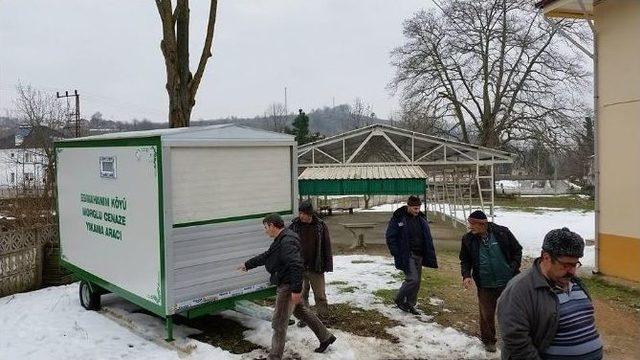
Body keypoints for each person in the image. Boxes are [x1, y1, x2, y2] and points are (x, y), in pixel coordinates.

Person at [238, 214, 336, 360]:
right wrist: (248, 264)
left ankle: (275, 356)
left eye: (266, 227)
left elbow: (296, 265)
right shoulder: (282, 239)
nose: (265, 231)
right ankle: (326, 337)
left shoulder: (287, 241)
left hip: (288, 286)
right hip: (290, 284)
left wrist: (296, 290)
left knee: (278, 323)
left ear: (272, 225)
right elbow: (267, 256)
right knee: (302, 312)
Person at [497, 228, 603, 359]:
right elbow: (515, 339)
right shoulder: (520, 289)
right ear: (546, 258)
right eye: (566, 265)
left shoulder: (576, 282)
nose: (572, 272)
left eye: (575, 264)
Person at [459, 210, 523, 353]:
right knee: (486, 314)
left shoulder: (502, 233)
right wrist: (466, 275)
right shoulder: (467, 239)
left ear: (482, 224)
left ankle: (516, 340)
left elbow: (517, 250)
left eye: (472, 224)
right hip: (485, 284)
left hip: (507, 282)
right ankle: (488, 341)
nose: (470, 227)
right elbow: (465, 260)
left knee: (511, 312)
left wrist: (512, 268)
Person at [385, 195, 438, 315]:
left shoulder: (421, 219)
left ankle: (410, 304)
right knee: (412, 279)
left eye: (418, 208)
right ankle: (399, 299)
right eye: (414, 208)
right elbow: (390, 237)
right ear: (408, 206)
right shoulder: (398, 218)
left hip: (420, 254)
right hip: (407, 254)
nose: (417, 211)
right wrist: (396, 253)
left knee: (417, 282)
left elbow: (427, 237)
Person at [289, 200, 333, 327]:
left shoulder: (320, 225)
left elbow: (326, 246)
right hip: (299, 267)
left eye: (303, 213)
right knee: (302, 295)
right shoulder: (294, 226)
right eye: (300, 213)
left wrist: (327, 265)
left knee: (320, 295)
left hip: (316, 267)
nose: (301, 216)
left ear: (310, 214)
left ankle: (323, 317)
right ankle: (305, 318)